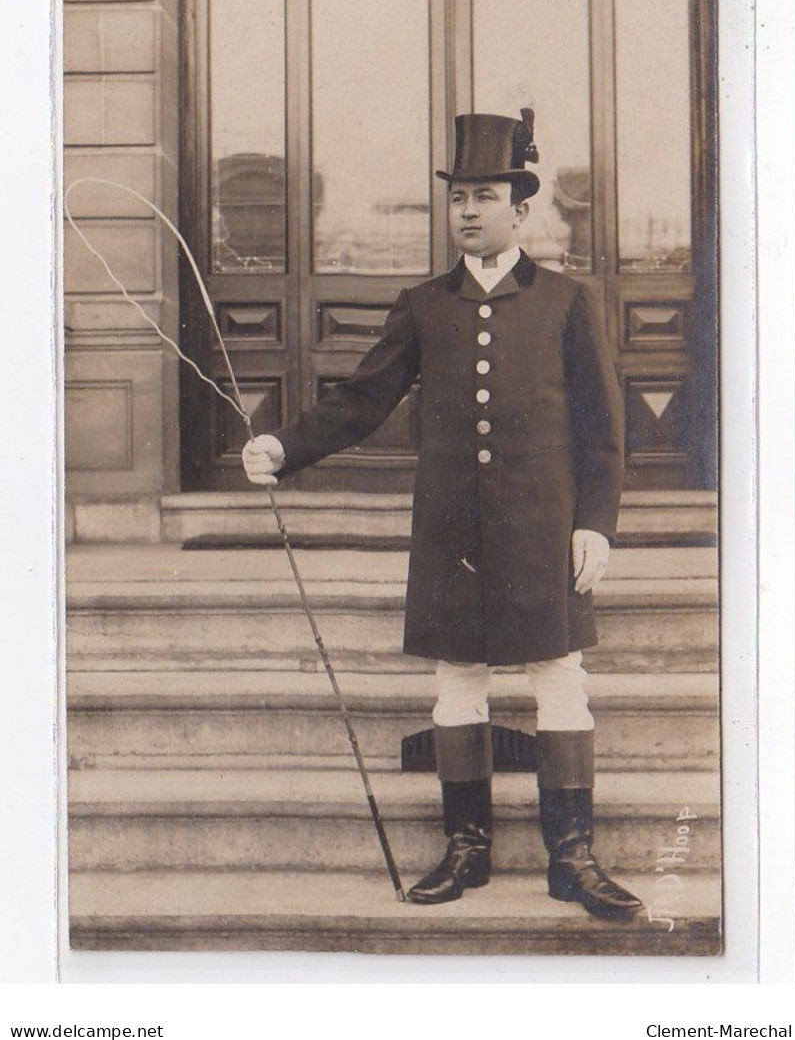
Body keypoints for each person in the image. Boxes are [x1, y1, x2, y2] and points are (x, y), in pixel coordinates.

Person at [242, 110, 643, 921]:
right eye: (459, 196)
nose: (468, 209)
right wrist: (284, 447)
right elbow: (361, 402)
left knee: (560, 682)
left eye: (485, 195)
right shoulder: (424, 304)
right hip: (450, 536)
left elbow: (603, 429)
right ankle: (467, 849)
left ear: (520, 209)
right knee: (457, 684)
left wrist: (596, 521)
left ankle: (573, 858)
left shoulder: (569, 301)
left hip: (544, 529)